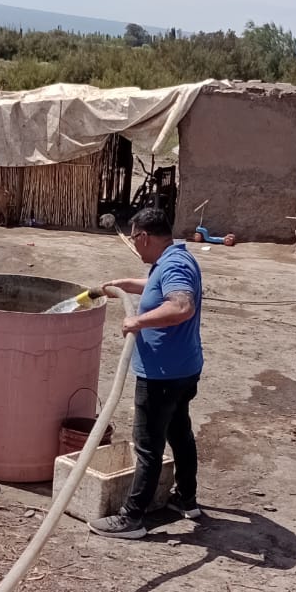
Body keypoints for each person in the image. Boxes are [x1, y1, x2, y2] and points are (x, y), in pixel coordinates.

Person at [88, 207, 203, 539]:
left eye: (135, 239)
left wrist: (137, 321)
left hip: (163, 375)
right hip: (183, 368)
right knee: (179, 432)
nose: (135, 248)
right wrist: (126, 285)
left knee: (147, 444)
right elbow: (159, 285)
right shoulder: (174, 258)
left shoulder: (175, 264)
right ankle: (186, 499)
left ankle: (131, 518)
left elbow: (182, 305)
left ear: (144, 237)